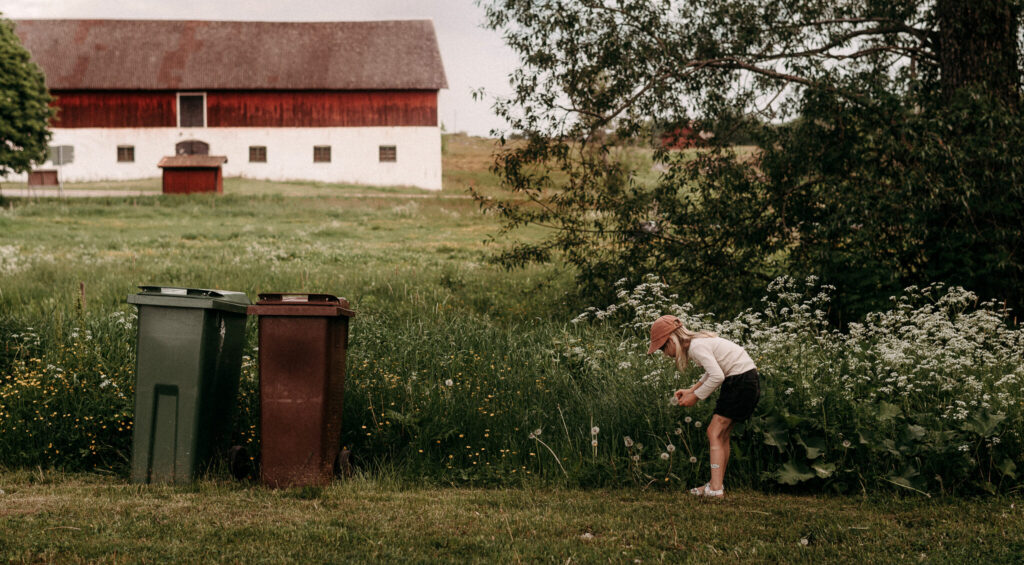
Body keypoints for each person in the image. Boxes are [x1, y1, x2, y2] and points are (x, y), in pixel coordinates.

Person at [647, 314, 760, 498]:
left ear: (670, 340)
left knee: (714, 432)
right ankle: (716, 485)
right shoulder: (697, 343)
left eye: (662, 348)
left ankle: (715, 489)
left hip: (739, 381)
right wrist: (691, 390)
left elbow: (717, 376)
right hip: (746, 379)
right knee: (722, 434)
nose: (664, 354)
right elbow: (712, 372)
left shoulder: (696, 347)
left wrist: (695, 398)